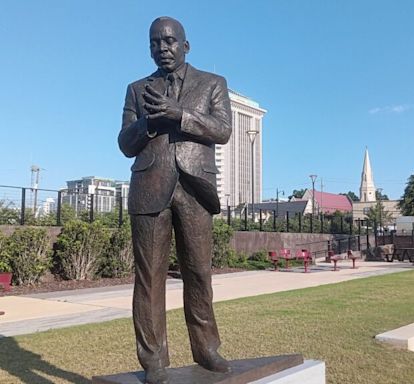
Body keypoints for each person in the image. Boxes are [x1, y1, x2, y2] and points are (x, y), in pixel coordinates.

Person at [118, 16, 232, 384]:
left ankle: (207, 349)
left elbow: (223, 130)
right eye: (154, 43)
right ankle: (154, 359)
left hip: (195, 188)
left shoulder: (213, 83)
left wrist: (179, 114)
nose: (162, 48)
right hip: (150, 188)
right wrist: (149, 121)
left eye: (169, 41)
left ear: (186, 45)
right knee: (149, 278)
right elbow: (124, 143)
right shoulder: (137, 89)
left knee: (198, 273)